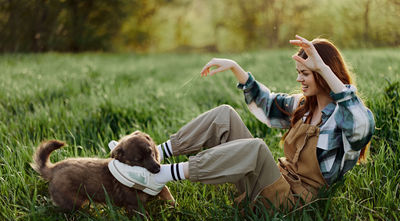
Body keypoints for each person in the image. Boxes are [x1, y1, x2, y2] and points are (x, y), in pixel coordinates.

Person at [108, 35, 375, 211]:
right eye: (299, 73)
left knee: (257, 148)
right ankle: (153, 156)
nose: (299, 80)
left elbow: (363, 125)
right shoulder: (304, 107)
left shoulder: (344, 121)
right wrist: (236, 67)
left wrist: (324, 69)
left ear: (323, 74)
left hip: (293, 202)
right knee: (225, 115)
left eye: (305, 73)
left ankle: (160, 176)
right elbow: (268, 103)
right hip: (275, 181)